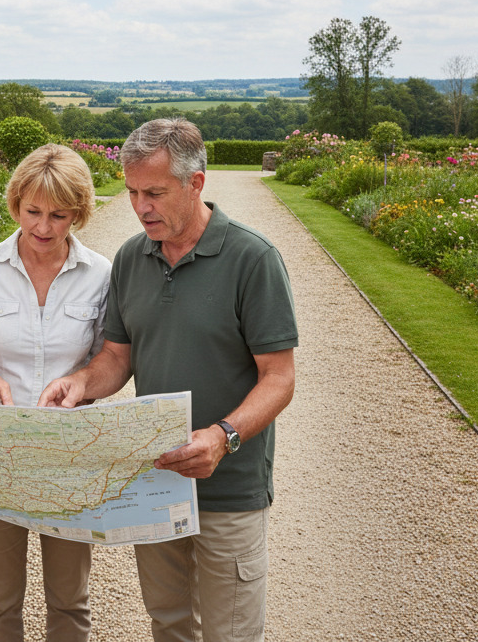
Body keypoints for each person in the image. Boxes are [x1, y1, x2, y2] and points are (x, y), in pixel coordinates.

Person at [38, 119, 297, 642]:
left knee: (230, 632)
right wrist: (82, 383)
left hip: (230, 486)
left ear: (195, 183)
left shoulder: (253, 259)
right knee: (168, 625)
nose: (140, 206)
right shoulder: (133, 257)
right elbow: (117, 355)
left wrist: (223, 437)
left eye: (154, 192)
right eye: (132, 192)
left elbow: (280, 377)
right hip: (157, 480)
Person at [0, 143, 111, 642]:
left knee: (70, 600)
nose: (43, 227)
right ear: (16, 204)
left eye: (58, 215)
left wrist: (82, 381)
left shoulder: (101, 274)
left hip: (71, 455)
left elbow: (111, 360)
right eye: (32, 212)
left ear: (79, 213)